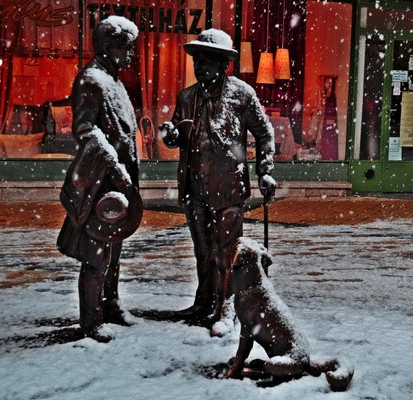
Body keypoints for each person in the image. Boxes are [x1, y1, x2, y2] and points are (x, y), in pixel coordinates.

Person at [160, 28, 275, 326]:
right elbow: (177, 137)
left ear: (224, 64)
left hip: (228, 189)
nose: (200, 67)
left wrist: (265, 171)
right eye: (197, 60)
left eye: (207, 60)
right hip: (194, 188)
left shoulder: (241, 95)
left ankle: (224, 308)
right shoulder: (186, 97)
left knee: (226, 254)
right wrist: (171, 136)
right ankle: (203, 302)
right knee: (203, 251)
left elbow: (265, 134)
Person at [57, 16, 141, 342]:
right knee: (95, 255)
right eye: (127, 47)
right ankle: (91, 321)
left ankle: (111, 304)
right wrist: (114, 166)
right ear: (109, 46)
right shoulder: (92, 80)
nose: (132, 55)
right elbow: (85, 129)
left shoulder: (114, 80)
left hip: (118, 185)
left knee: (114, 250)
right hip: (99, 183)